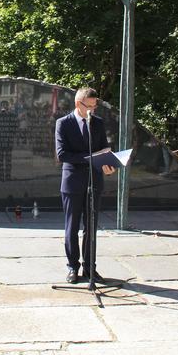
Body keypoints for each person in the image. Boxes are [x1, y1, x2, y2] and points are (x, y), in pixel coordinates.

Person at [55, 87, 116, 283]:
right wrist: (90, 158)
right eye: (88, 106)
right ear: (77, 103)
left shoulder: (98, 123)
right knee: (71, 227)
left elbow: (104, 148)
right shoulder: (63, 123)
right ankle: (73, 267)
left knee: (91, 227)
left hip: (94, 180)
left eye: (94, 106)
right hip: (72, 182)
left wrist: (108, 163)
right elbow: (62, 154)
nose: (91, 110)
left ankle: (90, 268)